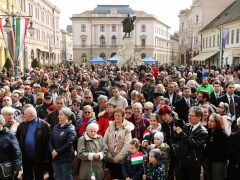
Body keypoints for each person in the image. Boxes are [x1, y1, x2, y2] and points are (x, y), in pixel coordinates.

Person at [16, 106, 51, 180]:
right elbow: (17, 138)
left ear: (32, 115)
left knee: (39, 176)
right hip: (26, 157)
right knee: (27, 176)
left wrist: (47, 156)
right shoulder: (22, 124)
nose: (23, 115)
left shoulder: (44, 125)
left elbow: (48, 141)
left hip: (39, 157)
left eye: (25, 114)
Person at [175, 106, 208, 180]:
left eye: (192, 116)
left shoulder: (203, 131)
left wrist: (182, 134)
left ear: (199, 118)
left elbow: (194, 144)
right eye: (189, 115)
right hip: (182, 162)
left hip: (193, 164)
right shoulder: (186, 126)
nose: (189, 117)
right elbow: (180, 142)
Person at [104, 107, 134, 179]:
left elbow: (127, 146)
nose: (117, 117)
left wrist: (116, 159)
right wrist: (109, 155)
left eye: (119, 115)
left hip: (121, 162)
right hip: (109, 160)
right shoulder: (110, 126)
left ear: (123, 116)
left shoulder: (127, 128)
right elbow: (104, 141)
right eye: (115, 115)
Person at [49, 107, 77, 180]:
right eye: (58, 114)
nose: (58, 116)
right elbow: (50, 140)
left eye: (61, 114)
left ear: (66, 116)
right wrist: (52, 150)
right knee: (57, 176)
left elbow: (69, 143)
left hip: (66, 158)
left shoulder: (70, 129)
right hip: (55, 157)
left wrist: (57, 151)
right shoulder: (56, 127)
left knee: (66, 176)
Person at [204, 113, 228, 180]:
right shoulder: (210, 131)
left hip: (218, 161)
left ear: (217, 123)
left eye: (212, 121)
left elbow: (224, 151)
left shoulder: (222, 134)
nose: (209, 123)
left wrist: (207, 147)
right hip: (209, 159)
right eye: (209, 120)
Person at [0, 115, 22, 180]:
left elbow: (17, 152)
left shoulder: (9, 135)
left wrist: (16, 167)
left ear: (2, 123)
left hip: (5, 166)